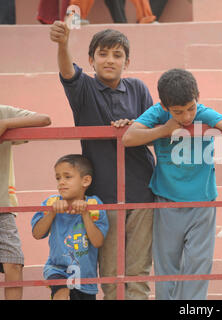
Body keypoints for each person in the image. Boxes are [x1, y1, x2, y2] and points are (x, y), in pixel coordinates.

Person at [122, 68, 222, 300]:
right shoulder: (157, 113)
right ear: (165, 107)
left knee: (198, 267)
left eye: (190, 108)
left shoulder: (203, 112)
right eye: (178, 112)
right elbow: (128, 137)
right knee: (167, 268)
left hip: (202, 204)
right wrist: (164, 130)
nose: (187, 117)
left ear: (197, 98)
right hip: (167, 203)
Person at [50, 22, 155, 300]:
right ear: (91, 60)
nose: (110, 60)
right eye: (103, 54)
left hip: (143, 192)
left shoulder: (138, 88)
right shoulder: (83, 89)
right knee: (110, 274)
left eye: (117, 55)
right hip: (104, 197)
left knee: (138, 273)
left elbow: (154, 128)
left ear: (127, 61)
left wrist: (134, 126)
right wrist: (63, 44)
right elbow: (67, 72)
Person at [31, 154, 109, 300]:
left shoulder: (94, 205)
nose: (61, 182)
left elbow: (98, 241)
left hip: (85, 277)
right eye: (58, 178)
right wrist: (52, 213)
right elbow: (37, 233)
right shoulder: (51, 202)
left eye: (67, 177)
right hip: (57, 268)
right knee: (61, 291)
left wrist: (85, 214)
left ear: (85, 180)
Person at [0, 105, 51, 300]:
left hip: (2, 206)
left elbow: (44, 118)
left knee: (13, 263)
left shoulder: (2, 112)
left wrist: (5, 124)